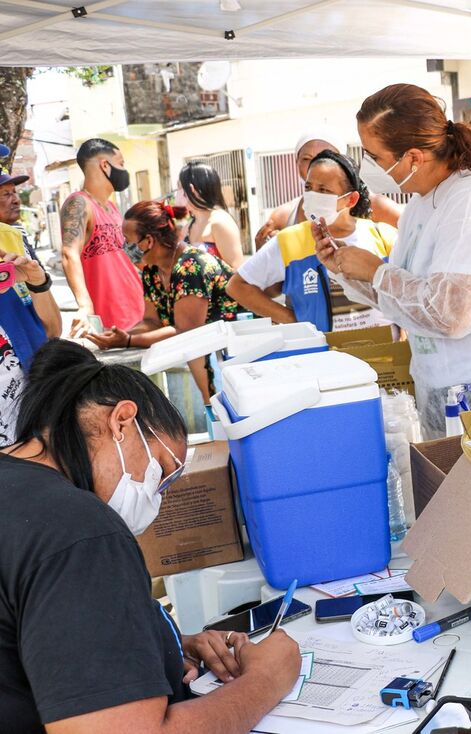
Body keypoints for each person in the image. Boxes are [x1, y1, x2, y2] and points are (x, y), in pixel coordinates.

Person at [0, 339, 300, 732]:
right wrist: (267, 680)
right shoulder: (80, 530)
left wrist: (161, 644)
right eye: (160, 471)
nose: (155, 500)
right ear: (121, 421)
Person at [314, 83, 471, 438]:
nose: (369, 168)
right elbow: (406, 300)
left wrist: (376, 270)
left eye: (375, 156)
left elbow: (450, 315)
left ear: (413, 157)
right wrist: (345, 268)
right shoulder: (420, 204)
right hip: (448, 389)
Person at [88, 201, 241, 403]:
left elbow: (185, 332)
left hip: (237, 349)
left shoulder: (191, 266)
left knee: (224, 410)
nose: (125, 247)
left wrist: (127, 341)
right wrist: (119, 334)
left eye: (128, 240)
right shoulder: (152, 271)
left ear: (149, 240)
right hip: (210, 353)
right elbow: (152, 322)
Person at [229, 150, 393, 333]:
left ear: (351, 199)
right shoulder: (289, 241)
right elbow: (237, 286)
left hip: (383, 354)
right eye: (308, 188)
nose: (313, 195)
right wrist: (293, 320)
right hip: (323, 355)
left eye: (323, 190)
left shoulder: (381, 236)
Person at [253, 128, 405, 249]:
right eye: (306, 158)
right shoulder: (284, 216)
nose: (316, 164)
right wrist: (266, 248)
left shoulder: (377, 205)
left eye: (325, 157)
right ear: (296, 163)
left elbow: (414, 235)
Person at [0, 169, 62, 443]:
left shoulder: (14, 239)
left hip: (33, 398)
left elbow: (51, 330)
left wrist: (38, 282)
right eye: (5, 194)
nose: (14, 199)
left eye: (14, 192)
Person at [60, 138, 144, 336]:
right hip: (110, 323)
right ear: (105, 165)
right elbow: (68, 253)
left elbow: (131, 258)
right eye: (121, 163)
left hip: (138, 315)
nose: (124, 170)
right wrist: (84, 306)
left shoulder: (112, 207)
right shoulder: (79, 203)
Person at [177, 161, 244, 268]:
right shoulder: (187, 227)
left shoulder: (220, 223)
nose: (178, 193)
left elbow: (236, 270)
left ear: (192, 189)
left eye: (180, 188)